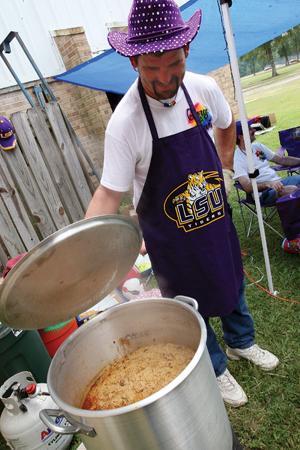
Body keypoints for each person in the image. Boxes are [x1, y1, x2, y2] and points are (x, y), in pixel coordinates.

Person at [85, 0, 279, 407]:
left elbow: (226, 125)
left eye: (172, 64)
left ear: (186, 52)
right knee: (188, 306)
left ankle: (242, 342)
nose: (163, 78)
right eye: (150, 68)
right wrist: (83, 253)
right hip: (170, 237)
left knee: (232, 280)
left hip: (214, 216)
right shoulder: (125, 123)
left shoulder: (204, 88)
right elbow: (108, 194)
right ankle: (216, 368)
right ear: (133, 61)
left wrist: (225, 168)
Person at [234, 120, 300, 253]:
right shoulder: (237, 158)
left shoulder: (257, 148)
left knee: (291, 187)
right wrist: (268, 184)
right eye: (250, 129)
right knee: (292, 191)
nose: (253, 130)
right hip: (263, 193)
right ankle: (292, 240)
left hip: (278, 181)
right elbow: (247, 186)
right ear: (240, 136)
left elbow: (281, 160)